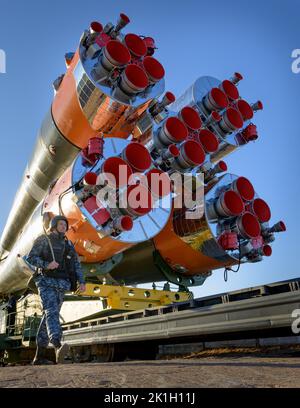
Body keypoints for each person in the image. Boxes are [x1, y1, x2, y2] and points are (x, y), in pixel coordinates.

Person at [27, 215, 86, 365]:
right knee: (52, 312)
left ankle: (39, 357)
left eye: (65, 225)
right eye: (60, 224)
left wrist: (82, 281)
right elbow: (31, 258)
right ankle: (58, 345)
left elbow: (76, 265)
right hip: (45, 282)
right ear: (53, 225)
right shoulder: (43, 240)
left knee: (48, 316)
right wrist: (46, 264)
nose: (63, 227)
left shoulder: (69, 244)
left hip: (62, 284)